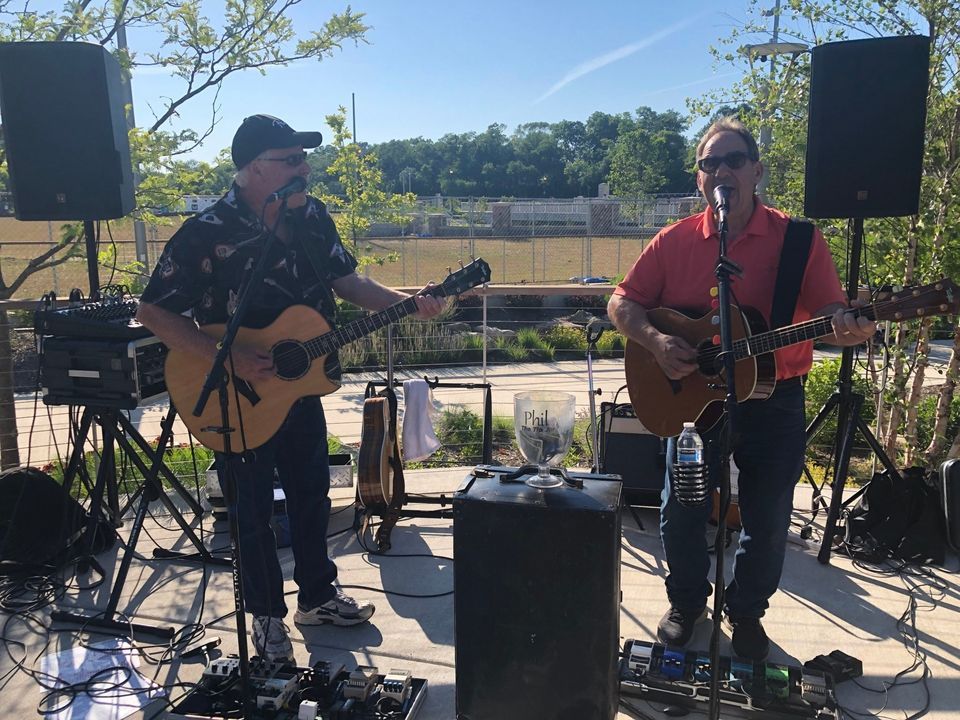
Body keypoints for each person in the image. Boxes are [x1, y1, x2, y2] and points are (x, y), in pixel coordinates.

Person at [137, 114, 444, 662]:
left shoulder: (312, 216)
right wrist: (227, 357)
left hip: (300, 385)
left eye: (305, 159)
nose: (305, 169)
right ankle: (265, 617)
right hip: (234, 396)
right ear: (254, 168)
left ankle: (318, 598)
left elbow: (347, 282)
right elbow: (154, 311)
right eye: (291, 160)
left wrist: (409, 303)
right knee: (251, 513)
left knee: (312, 496)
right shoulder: (207, 230)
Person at [607, 117, 875, 661]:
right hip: (691, 402)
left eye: (733, 160)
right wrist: (658, 341)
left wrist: (851, 326)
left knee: (769, 516)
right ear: (699, 178)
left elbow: (830, 311)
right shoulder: (674, 241)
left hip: (776, 398)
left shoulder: (798, 240)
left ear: (756, 171)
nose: (721, 171)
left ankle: (747, 611)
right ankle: (686, 603)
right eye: (710, 163)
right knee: (681, 507)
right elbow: (622, 302)